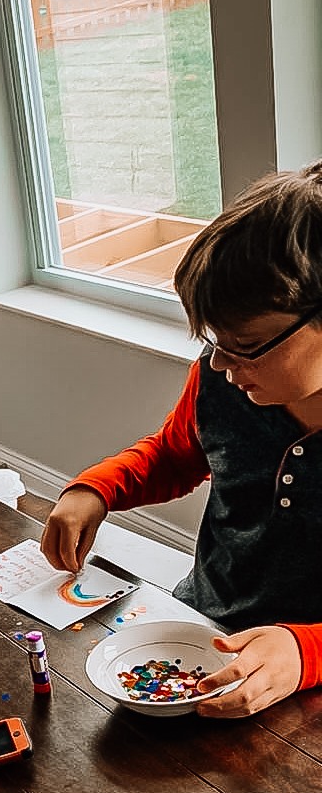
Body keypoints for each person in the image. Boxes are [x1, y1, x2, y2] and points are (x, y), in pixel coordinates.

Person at [40, 159, 322, 718]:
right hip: (202, 627)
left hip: (300, 683)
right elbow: (176, 454)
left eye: (245, 342)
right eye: (214, 339)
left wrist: (304, 650)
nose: (221, 363)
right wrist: (97, 490)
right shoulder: (222, 374)